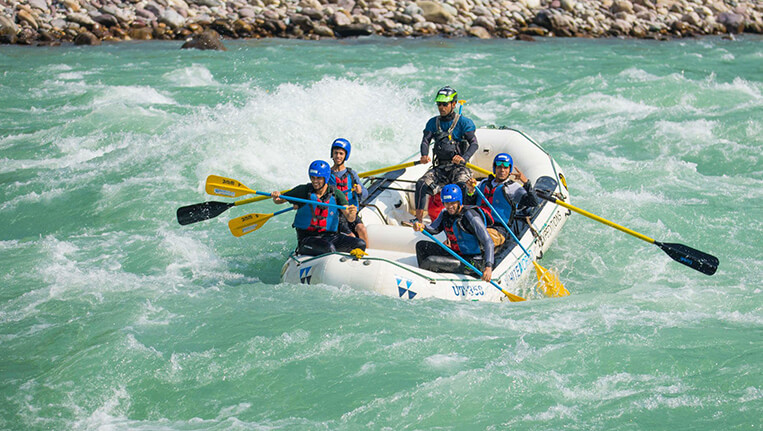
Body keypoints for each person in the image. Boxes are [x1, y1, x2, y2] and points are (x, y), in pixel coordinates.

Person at [271, 160, 366, 256]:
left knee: (360, 244)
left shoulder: (336, 193)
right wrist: (276, 196)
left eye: (319, 178)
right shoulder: (303, 191)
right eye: (313, 177)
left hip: (331, 237)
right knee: (328, 248)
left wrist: (352, 213)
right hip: (307, 239)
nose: (315, 181)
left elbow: (350, 218)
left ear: (326, 177)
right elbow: (280, 200)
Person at [413, 86, 479, 222]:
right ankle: (418, 220)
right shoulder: (433, 122)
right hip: (440, 168)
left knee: (462, 186)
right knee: (421, 184)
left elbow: (474, 144)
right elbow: (425, 141)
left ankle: (464, 219)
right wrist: (424, 154)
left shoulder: (463, 123)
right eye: (439, 104)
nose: (441, 107)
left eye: (445, 104)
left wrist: (463, 158)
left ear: (454, 104)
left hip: (458, 167)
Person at [412, 184, 495, 282]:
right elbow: (433, 229)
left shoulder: (471, 216)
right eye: (446, 203)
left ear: (459, 201)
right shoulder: (445, 214)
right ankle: (433, 277)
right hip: (456, 255)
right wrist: (422, 227)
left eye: (453, 203)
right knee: (421, 246)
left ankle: (424, 282)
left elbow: (488, 241)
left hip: (473, 262)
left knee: (431, 261)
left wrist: (488, 267)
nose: (449, 206)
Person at [465, 153, 539, 246]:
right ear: (494, 168)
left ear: (509, 170)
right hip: (477, 223)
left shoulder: (513, 187)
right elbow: (469, 203)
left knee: (480, 238)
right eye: (499, 167)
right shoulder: (484, 183)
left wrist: (526, 183)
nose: (502, 170)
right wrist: (470, 191)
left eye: (506, 167)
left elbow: (534, 202)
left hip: (498, 229)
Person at [328, 138, 369, 245]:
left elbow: (365, 194)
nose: (338, 156)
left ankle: (368, 255)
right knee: (352, 237)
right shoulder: (327, 175)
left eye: (341, 153)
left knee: (362, 230)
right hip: (336, 215)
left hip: (351, 212)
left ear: (346, 156)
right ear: (332, 154)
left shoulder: (352, 174)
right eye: (335, 153)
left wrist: (360, 191)